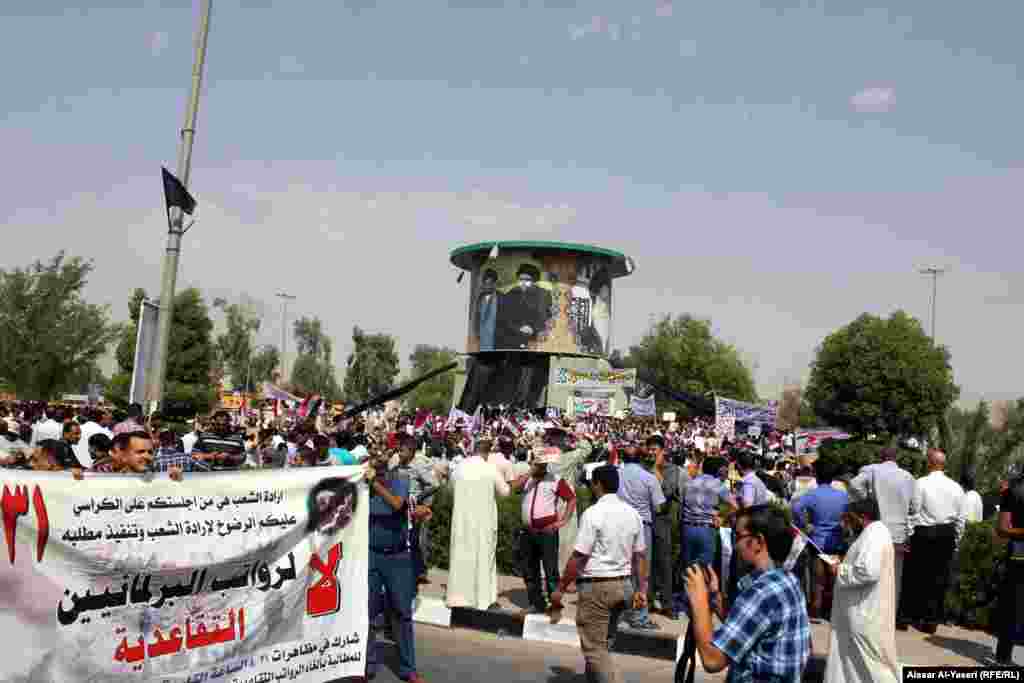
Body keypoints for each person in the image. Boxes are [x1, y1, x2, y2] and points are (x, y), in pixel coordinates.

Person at [683, 503, 811, 682]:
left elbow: (712, 660)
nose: (735, 546)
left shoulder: (760, 593)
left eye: (738, 536)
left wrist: (699, 601)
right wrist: (715, 599)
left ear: (758, 542)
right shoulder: (788, 581)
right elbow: (749, 629)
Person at [549, 465, 647, 683]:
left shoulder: (593, 513)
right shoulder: (633, 515)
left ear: (597, 485)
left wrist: (560, 588)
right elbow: (640, 556)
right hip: (624, 587)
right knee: (604, 642)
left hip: (598, 587)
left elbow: (579, 557)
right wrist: (642, 590)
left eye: (592, 483)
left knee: (594, 648)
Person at [364, 451, 428, 683]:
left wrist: (374, 484)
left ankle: (408, 668)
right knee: (368, 613)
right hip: (371, 555)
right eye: (374, 454)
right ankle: (366, 666)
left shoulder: (400, 480)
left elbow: (396, 504)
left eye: (383, 453)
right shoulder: (362, 484)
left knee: (402, 612)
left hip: (398, 557)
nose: (378, 459)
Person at [823, 497, 900, 683]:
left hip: (864, 612)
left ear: (863, 517)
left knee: (871, 663)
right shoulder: (874, 533)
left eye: (852, 518)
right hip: (860, 609)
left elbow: (867, 572)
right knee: (856, 661)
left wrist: (839, 569)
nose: (849, 523)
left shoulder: (874, 535)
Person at [847, 446, 915, 628]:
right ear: (895, 458)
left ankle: (871, 614)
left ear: (881, 457)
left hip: (877, 528)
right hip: (898, 533)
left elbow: (853, 485)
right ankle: (889, 617)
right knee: (894, 577)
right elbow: (914, 507)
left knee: (871, 571)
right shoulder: (908, 477)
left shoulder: (872, 470)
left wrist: (866, 499)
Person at [901, 449, 966, 635]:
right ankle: (931, 621)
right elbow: (961, 519)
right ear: (943, 464)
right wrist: (956, 540)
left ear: (929, 463)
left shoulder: (921, 483)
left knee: (914, 576)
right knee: (939, 579)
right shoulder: (956, 488)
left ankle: (907, 617)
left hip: (924, 533)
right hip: (946, 534)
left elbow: (914, 512)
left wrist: (909, 534)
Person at [446, 437, 511, 610]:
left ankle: (457, 599)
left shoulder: (459, 468)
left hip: (461, 523)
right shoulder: (490, 468)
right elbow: (505, 492)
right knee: (484, 560)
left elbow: (450, 489)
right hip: (484, 523)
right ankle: (485, 600)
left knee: (461, 558)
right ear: (488, 453)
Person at [511, 445, 576, 614]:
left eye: (543, 464)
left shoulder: (555, 479)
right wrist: (530, 472)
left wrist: (563, 521)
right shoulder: (527, 480)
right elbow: (514, 488)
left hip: (547, 531)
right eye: (539, 463)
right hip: (528, 531)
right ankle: (536, 603)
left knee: (550, 571)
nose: (542, 466)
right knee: (529, 571)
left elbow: (571, 499)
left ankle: (555, 606)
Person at [792, 457, 849, 620]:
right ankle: (830, 610)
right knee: (834, 576)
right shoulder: (842, 496)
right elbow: (849, 512)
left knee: (818, 578)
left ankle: (816, 608)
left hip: (816, 540)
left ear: (816, 476)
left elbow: (795, 508)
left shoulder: (812, 495)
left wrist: (805, 524)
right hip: (836, 539)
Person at [390, 433, 437, 586]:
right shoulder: (396, 467)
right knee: (404, 540)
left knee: (417, 541)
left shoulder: (418, 467)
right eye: (398, 451)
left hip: (415, 510)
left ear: (411, 451)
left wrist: (419, 498)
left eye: (402, 451)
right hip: (401, 509)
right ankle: (406, 570)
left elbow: (434, 484)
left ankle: (420, 572)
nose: (399, 454)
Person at [990, 469, 1024, 666]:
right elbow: (1002, 528)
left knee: (1011, 606)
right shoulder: (1014, 490)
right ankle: (1003, 658)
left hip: (1017, 553)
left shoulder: (1013, 489)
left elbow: (1002, 529)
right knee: (1011, 606)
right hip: (1019, 554)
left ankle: (1003, 657)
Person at [649, 434, 684, 618]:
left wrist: (656, 471)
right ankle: (647, 600)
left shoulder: (671, 470)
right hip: (647, 520)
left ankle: (667, 604)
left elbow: (666, 492)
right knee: (647, 563)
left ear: (663, 451)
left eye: (654, 450)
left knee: (664, 563)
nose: (651, 453)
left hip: (663, 522)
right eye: (650, 449)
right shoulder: (645, 468)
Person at [495, 263, 552, 350]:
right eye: (521, 279)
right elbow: (505, 316)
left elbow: (547, 316)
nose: (523, 283)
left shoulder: (544, 294)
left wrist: (534, 328)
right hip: (514, 338)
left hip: (537, 340)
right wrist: (519, 328)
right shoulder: (510, 294)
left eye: (527, 280)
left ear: (535, 280)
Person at [473, 268, 500, 351]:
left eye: (490, 282)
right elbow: (476, 317)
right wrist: (477, 332)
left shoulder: (501, 297)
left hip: (497, 341)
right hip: (483, 340)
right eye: (485, 282)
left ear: (495, 283)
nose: (487, 285)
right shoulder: (479, 299)